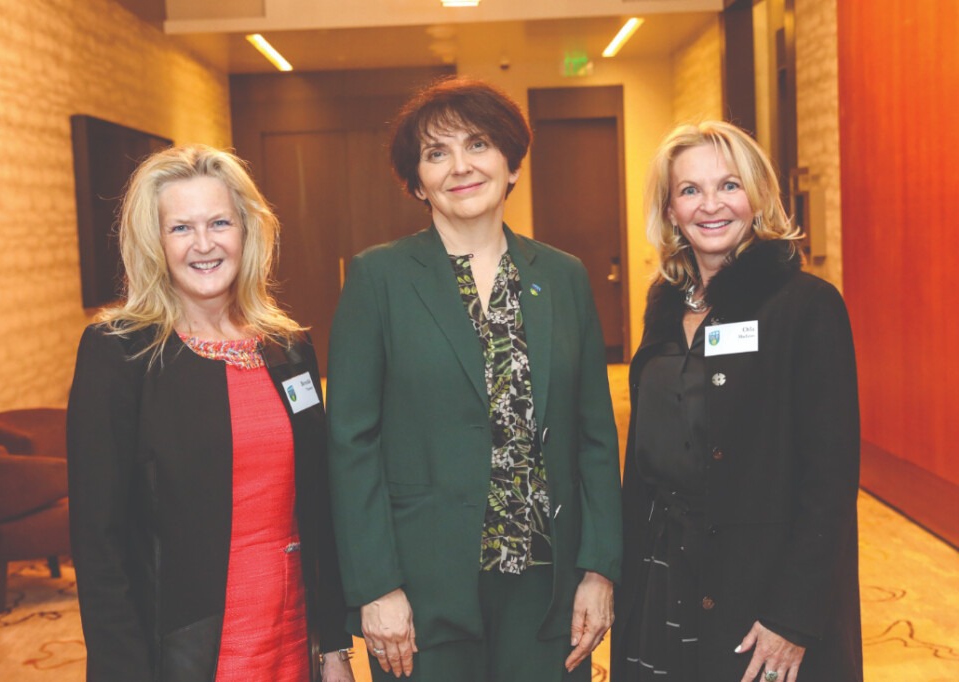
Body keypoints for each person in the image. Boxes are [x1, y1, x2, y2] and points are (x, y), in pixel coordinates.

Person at [325, 77, 623, 682]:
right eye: (437, 153)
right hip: (423, 588)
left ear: (511, 163)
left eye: (479, 144)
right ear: (416, 180)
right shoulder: (378, 278)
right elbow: (351, 443)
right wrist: (376, 586)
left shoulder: (563, 277)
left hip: (548, 585)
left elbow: (595, 435)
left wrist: (599, 569)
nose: (460, 166)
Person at [67, 144, 355, 682]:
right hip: (187, 647)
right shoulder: (119, 352)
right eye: (180, 228)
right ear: (154, 242)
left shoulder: (288, 347)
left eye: (220, 222)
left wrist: (335, 644)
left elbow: (319, 506)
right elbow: (97, 541)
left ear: (246, 231)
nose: (204, 244)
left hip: (293, 632)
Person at [612, 121, 862, 682]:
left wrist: (793, 618)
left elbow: (830, 478)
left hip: (759, 586)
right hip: (663, 572)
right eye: (690, 190)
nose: (710, 205)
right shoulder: (663, 302)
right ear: (671, 210)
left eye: (729, 185)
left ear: (758, 196)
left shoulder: (805, 306)